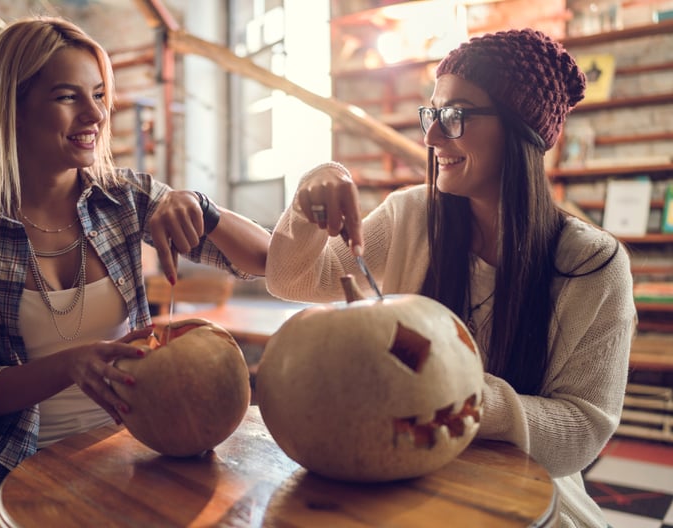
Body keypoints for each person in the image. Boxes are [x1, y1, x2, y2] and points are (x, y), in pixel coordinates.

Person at [266, 28, 635, 528]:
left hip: (527, 501)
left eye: (456, 115)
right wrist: (311, 193)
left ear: (519, 130)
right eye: (432, 113)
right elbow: (293, 280)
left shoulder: (594, 267)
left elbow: (583, 430)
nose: (432, 135)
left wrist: (451, 391)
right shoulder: (411, 216)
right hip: (396, 485)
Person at [0, 16, 270, 527]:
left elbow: (264, 262)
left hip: (137, 449)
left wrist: (199, 204)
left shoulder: (124, 199)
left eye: (99, 94)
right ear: (11, 107)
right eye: (67, 96)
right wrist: (70, 364)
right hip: (12, 473)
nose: (96, 114)